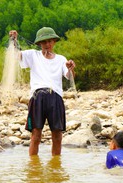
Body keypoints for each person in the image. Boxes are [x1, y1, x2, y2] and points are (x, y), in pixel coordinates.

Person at [9, 27, 76, 156]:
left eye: (50, 41)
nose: (47, 45)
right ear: (40, 43)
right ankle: (33, 168)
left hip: (55, 97)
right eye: (44, 42)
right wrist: (14, 40)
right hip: (37, 97)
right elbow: (16, 54)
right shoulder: (33, 55)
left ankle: (56, 167)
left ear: (54, 42)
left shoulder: (61, 59)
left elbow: (69, 76)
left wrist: (71, 67)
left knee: (57, 135)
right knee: (36, 135)